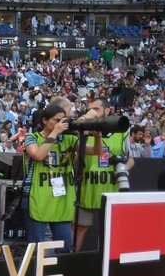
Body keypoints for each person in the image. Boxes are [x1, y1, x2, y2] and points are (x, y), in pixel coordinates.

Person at [75, 98, 132, 251]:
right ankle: (71, 261)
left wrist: (123, 169)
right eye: (89, 109)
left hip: (111, 189)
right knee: (80, 228)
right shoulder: (84, 128)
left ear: (107, 111)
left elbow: (131, 159)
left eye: (96, 109)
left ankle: (108, 264)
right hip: (88, 189)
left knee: (109, 230)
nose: (92, 112)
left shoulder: (122, 130)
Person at [23, 101, 78, 252]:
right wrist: (55, 133)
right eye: (56, 120)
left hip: (60, 199)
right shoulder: (31, 137)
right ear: (45, 120)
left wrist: (98, 135)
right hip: (37, 196)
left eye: (63, 120)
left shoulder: (69, 139)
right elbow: (38, 155)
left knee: (65, 246)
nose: (60, 124)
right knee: (37, 249)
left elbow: (94, 151)